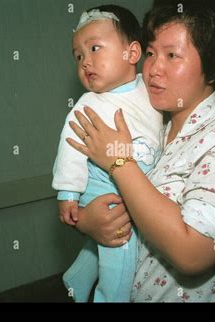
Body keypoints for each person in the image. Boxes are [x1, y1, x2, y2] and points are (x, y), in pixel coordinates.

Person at [66, 0, 215, 302]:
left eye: (172, 55)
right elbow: (105, 195)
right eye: (151, 53)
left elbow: (192, 252)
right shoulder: (153, 126)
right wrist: (87, 223)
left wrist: (119, 161)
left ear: (212, 66)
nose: (154, 68)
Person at [52, 5, 163, 302]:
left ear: (132, 53)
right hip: (103, 188)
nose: (86, 62)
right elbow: (70, 147)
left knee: (103, 239)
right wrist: (67, 192)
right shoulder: (89, 104)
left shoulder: (149, 91)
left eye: (95, 49)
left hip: (133, 182)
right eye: (79, 56)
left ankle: (78, 276)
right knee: (121, 247)